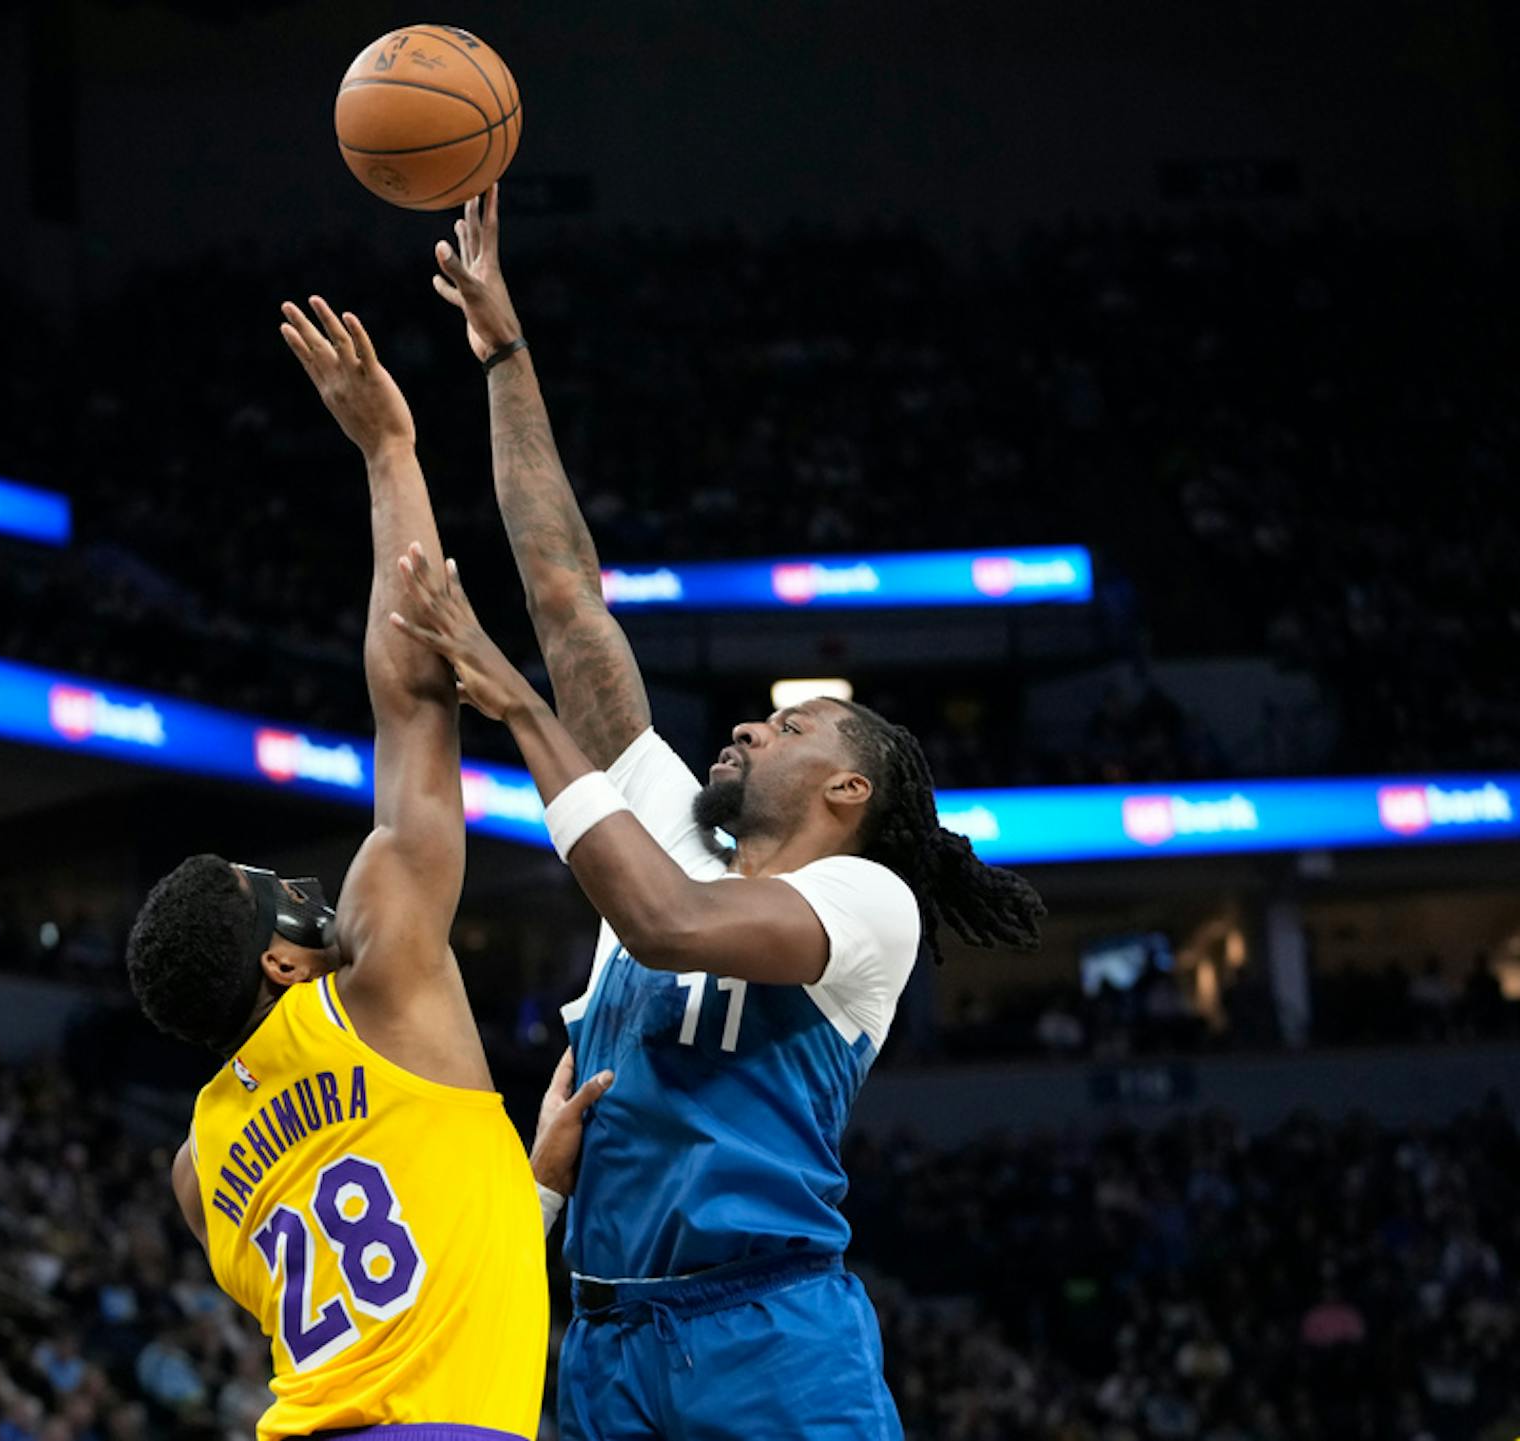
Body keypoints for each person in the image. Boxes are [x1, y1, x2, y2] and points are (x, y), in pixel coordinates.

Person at [411, 186, 1047, 1439]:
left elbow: (666, 922)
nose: (753, 724)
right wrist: (502, 353)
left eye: (793, 726)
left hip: (765, 1336)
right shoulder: (661, 809)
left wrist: (522, 717)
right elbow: (563, 593)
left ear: (847, 790)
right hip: (600, 1341)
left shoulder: (867, 904)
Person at [124, 297, 552, 1441]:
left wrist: (525, 1185)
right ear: (275, 958)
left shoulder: (196, 1168)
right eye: (283, 894)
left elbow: (394, 1256)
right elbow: (412, 702)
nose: (310, 890)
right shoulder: (385, 981)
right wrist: (390, 451)